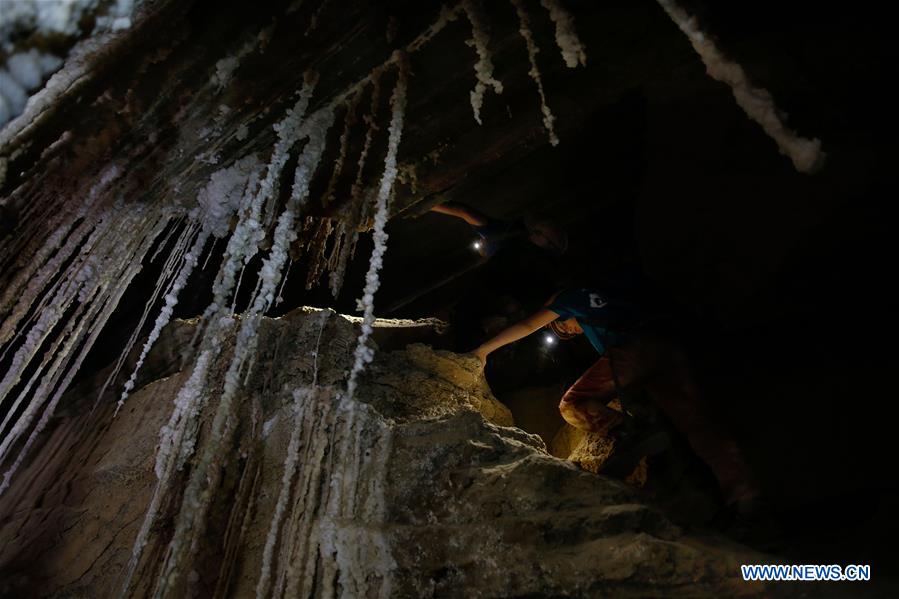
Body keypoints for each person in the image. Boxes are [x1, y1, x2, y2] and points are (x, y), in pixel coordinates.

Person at [471, 287, 761, 511]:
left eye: (562, 326)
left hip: (630, 349)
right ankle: (746, 498)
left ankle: (635, 432)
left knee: (572, 404)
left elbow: (526, 326)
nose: (569, 330)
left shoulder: (573, 297)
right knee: (695, 423)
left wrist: (483, 350)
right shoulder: (614, 293)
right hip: (666, 342)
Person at [430, 201, 567, 257]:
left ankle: (423, 204)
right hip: (502, 236)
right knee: (467, 214)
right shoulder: (513, 235)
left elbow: (464, 212)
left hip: (500, 239)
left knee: (467, 213)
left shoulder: (508, 244)